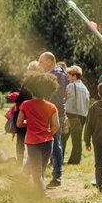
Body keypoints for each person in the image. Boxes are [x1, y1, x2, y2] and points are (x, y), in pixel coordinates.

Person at [16, 73, 60, 197]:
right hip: (48, 141)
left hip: (33, 142)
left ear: (32, 88)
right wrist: (48, 132)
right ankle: (38, 193)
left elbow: (19, 123)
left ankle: (42, 195)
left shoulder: (26, 104)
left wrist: (28, 123)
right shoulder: (52, 106)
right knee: (41, 170)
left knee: (36, 171)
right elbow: (56, 125)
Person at [38, 52, 68, 188]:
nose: (40, 65)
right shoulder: (50, 73)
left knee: (55, 144)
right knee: (45, 144)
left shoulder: (58, 74)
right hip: (47, 112)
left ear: (50, 61)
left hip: (55, 113)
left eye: (41, 62)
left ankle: (57, 177)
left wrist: (43, 104)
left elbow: (57, 94)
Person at [64, 66, 91, 165]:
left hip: (71, 114)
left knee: (63, 137)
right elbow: (87, 102)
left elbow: (64, 98)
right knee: (77, 138)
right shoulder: (85, 88)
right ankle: (75, 160)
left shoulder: (71, 86)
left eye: (69, 76)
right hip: (82, 115)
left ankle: (59, 158)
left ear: (74, 76)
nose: (68, 79)